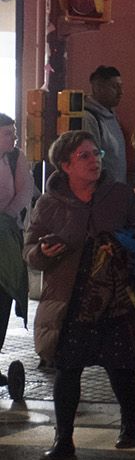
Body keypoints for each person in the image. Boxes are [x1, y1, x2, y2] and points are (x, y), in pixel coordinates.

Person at [28, 131, 135, 460]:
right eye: (84, 156)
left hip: (117, 298)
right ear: (64, 165)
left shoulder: (118, 195)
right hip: (72, 300)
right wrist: (45, 250)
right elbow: (30, 252)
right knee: (67, 368)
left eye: (96, 153)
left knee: (121, 365)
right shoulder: (49, 204)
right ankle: (64, 439)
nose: (94, 161)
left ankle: (130, 422)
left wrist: (124, 241)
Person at [0, 114, 33, 398]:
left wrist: (6, 219)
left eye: (14, 133)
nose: (13, 138)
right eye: (7, 133)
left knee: (4, 296)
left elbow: (24, 192)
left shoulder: (15, 159)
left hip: (7, 237)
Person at [83, 65, 128, 184]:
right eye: (114, 87)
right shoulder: (89, 118)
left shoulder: (113, 116)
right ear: (98, 88)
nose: (120, 92)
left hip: (117, 190)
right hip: (102, 193)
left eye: (121, 87)